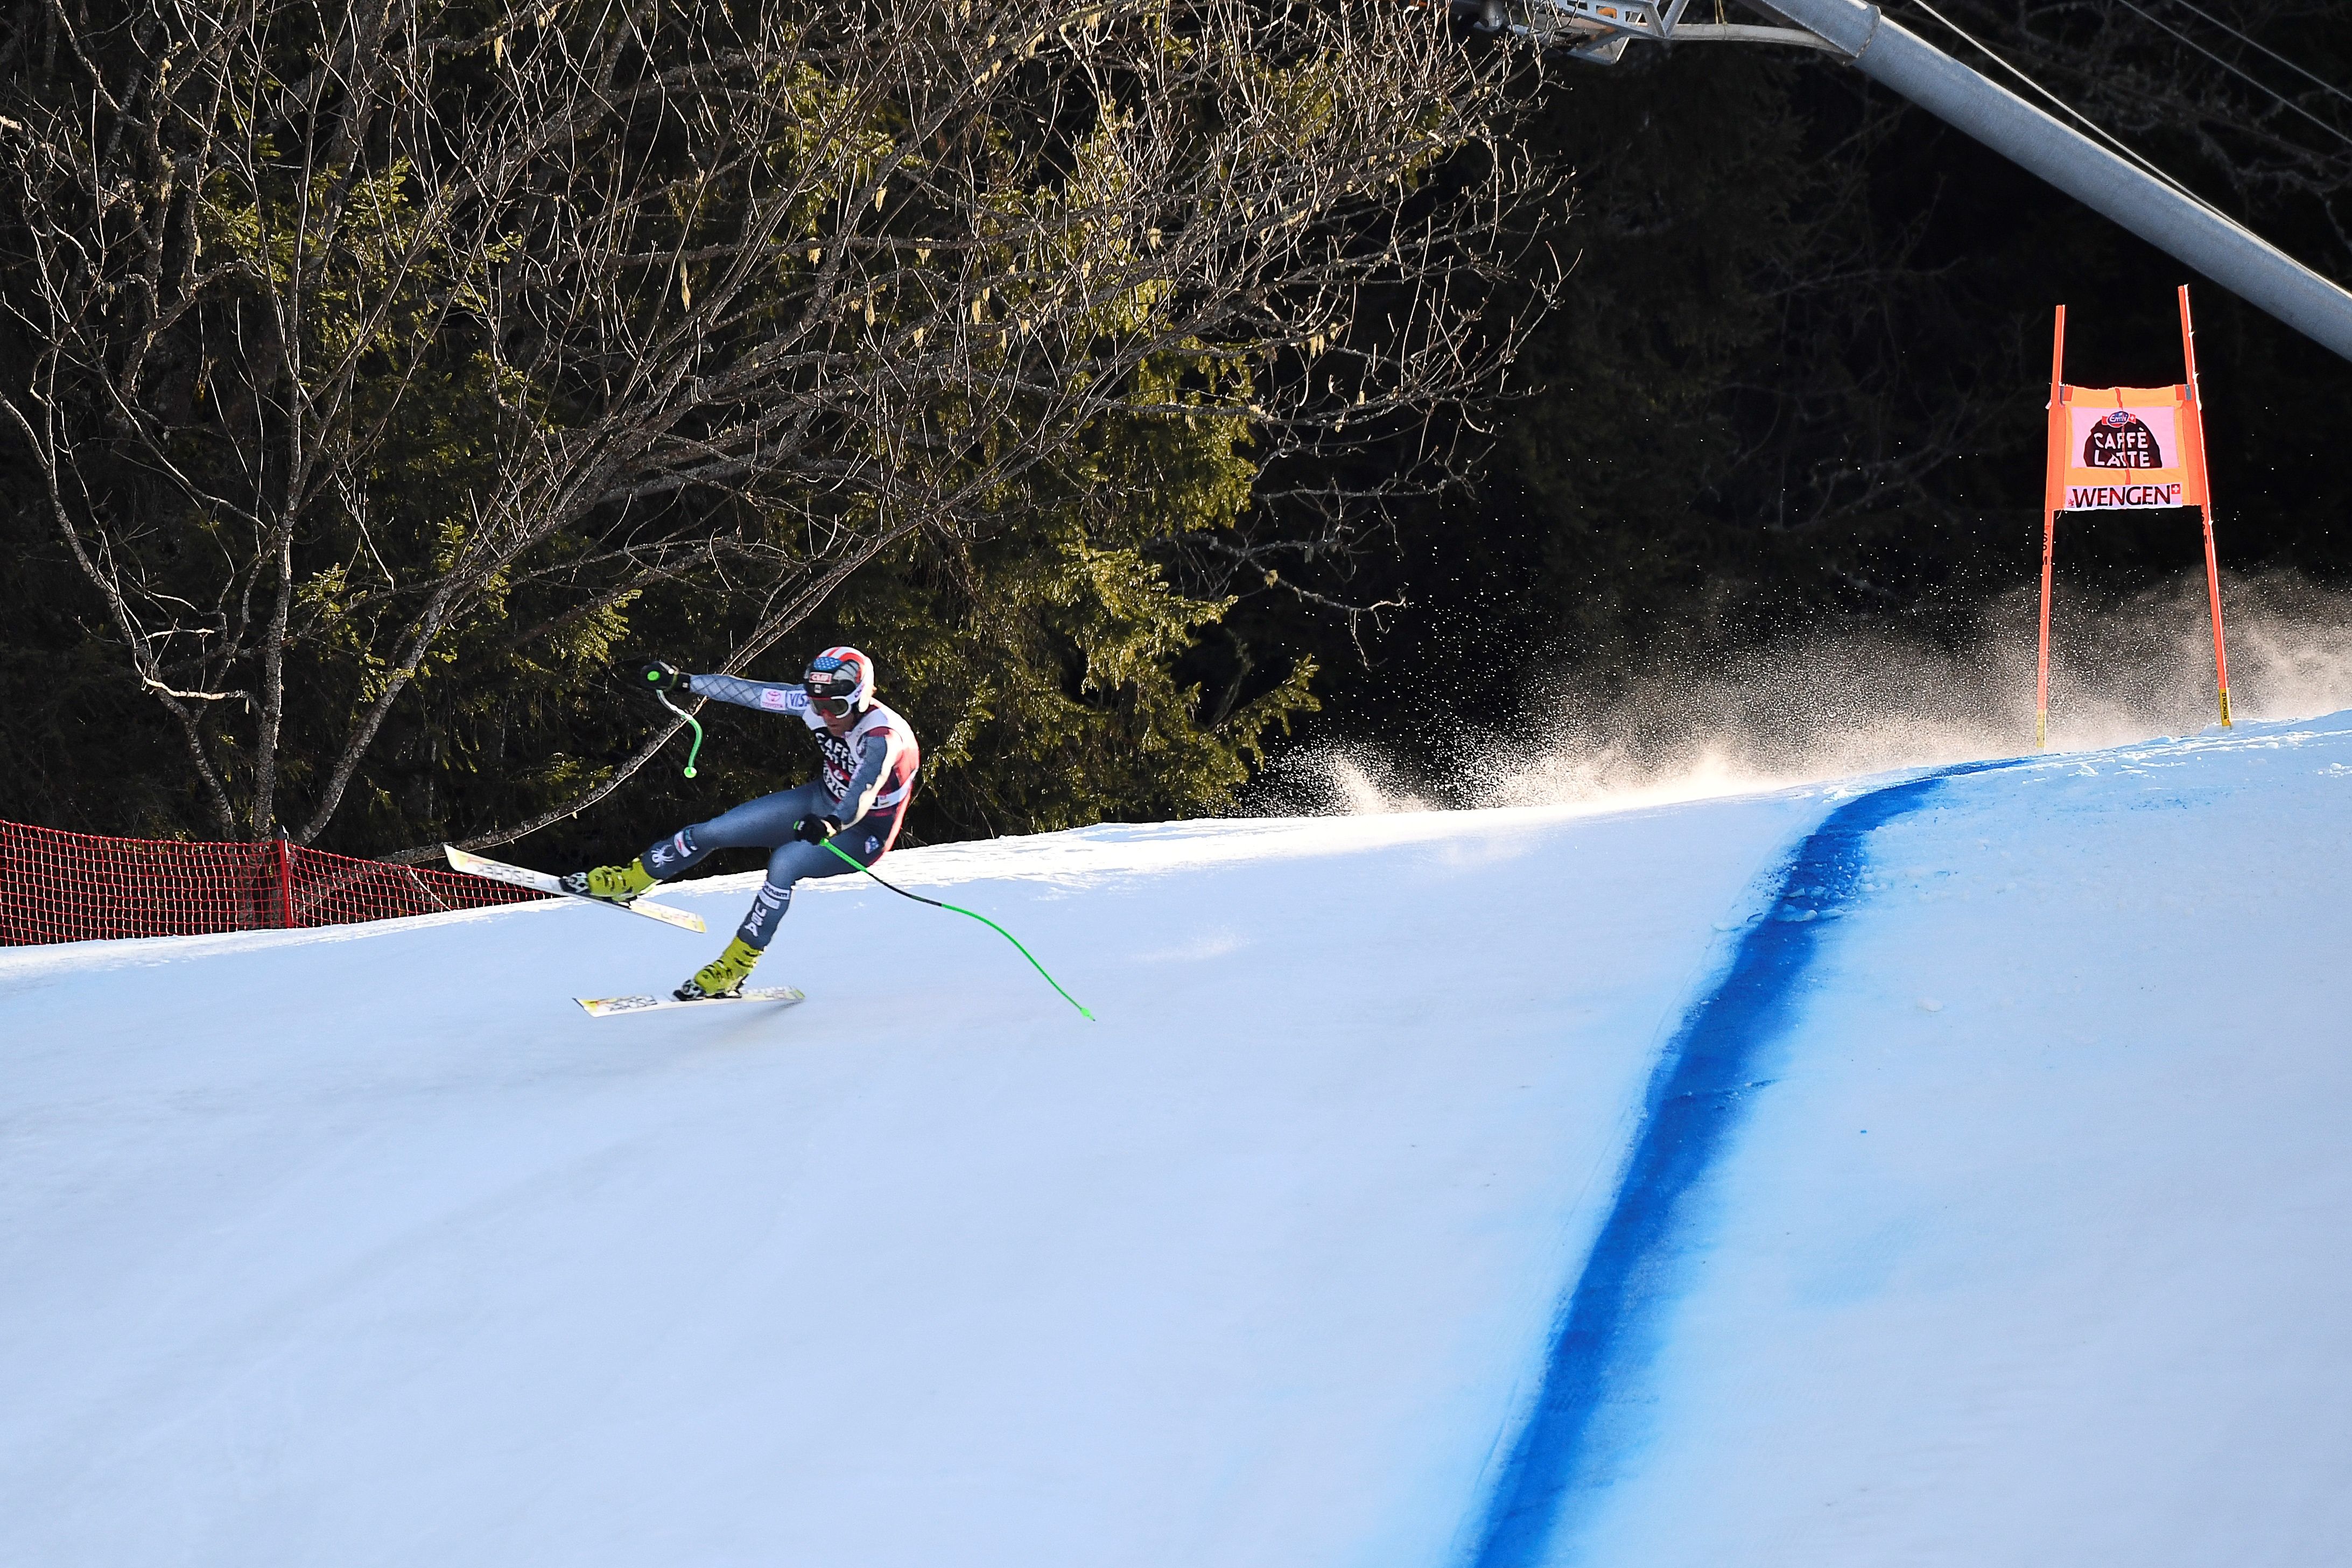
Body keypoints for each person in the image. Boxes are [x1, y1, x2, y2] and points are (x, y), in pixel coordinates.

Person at [566, 646, 920, 1000]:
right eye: (817, 706)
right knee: (712, 831)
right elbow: (748, 692)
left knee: (785, 863)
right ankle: (633, 879)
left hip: (862, 830)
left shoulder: (884, 737)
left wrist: (832, 822)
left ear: (861, 698)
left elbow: (865, 787)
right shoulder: (816, 704)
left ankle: (736, 966)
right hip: (822, 801)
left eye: (836, 708)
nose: (826, 716)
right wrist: (683, 682)